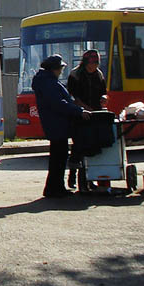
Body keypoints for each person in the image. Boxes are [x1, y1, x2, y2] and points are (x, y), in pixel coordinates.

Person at [32, 54, 91, 198]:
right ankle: (55, 188)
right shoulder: (49, 83)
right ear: (54, 69)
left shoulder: (46, 81)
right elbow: (58, 103)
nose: (61, 71)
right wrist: (78, 111)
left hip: (55, 124)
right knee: (59, 158)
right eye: (60, 68)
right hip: (57, 124)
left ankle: (55, 187)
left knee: (58, 157)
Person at [66, 49, 107, 188]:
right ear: (85, 63)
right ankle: (73, 176)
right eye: (91, 64)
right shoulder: (75, 75)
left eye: (96, 63)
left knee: (92, 148)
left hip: (94, 115)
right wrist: (84, 108)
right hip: (79, 116)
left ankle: (89, 179)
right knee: (78, 147)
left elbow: (104, 92)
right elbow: (72, 97)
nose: (94, 66)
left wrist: (103, 99)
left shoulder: (99, 75)